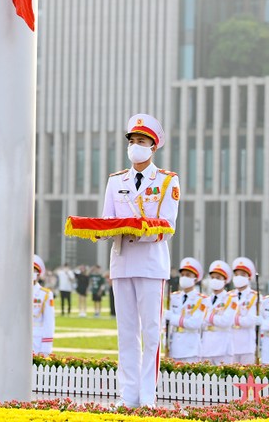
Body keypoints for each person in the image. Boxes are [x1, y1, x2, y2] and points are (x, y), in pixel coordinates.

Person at [104, 114, 180, 408]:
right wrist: (100, 232)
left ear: (153, 147)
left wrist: (139, 230)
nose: (135, 146)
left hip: (150, 263)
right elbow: (108, 219)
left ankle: (148, 397)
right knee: (126, 334)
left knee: (151, 333)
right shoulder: (115, 181)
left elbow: (168, 225)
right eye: (132, 141)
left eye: (141, 141)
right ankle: (128, 396)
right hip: (122, 262)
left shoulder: (166, 181)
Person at [164, 257, 206, 363]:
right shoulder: (174, 297)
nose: (184, 278)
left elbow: (195, 323)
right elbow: (166, 325)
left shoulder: (201, 300)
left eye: (188, 275)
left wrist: (173, 318)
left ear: (195, 279)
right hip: (174, 346)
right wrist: (166, 342)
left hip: (191, 347)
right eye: (182, 275)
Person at [200, 260, 234, 365]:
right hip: (207, 344)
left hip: (222, 345)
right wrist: (212, 319)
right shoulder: (206, 300)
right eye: (213, 278)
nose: (215, 280)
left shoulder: (230, 299)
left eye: (218, 278)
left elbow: (226, 321)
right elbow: (200, 321)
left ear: (225, 281)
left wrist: (210, 318)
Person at [228, 257, 259, 364]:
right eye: (236, 275)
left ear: (249, 278)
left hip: (247, 345)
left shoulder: (255, 296)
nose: (238, 277)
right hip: (231, 344)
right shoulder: (228, 296)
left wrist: (233, 319)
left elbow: (250, 320)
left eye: (242, 275)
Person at [32, 254, 55, 356]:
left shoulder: (45, 294)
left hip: (37, 341)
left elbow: (49, 322)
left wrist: (46, 348)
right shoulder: (17, 292)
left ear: (38, 274)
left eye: (34, 271)